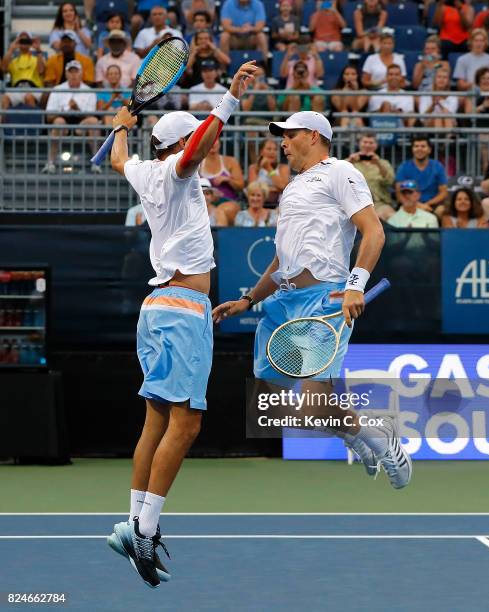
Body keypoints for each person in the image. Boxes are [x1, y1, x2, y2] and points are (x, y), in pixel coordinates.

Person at [106, 61, 258, 589]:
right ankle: (143, 529)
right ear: (181, 145)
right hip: (181, 311)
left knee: (155, 422)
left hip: (157, 312)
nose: (202, 146)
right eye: (194, 140)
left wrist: (121, 122)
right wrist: (229, 101)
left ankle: (134, 523)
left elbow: (119, 157)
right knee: (186, 424)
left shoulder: (143, 170)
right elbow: (195, 151)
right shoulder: (176, 169)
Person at [213, 110, 412, 491]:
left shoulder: (341, 172)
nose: (282, 143)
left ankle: (380, 439)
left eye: (289, 135)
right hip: (283, 303)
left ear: (313, 135)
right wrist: (248, 300)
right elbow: (280, 259)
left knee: (313, 405)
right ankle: (359, 437)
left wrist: (356, 285)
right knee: (270, 405)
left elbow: (374, 232)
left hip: (325, 299)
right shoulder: (291, 189)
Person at [42, 61, 99, 174]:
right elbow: (49, 116)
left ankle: (96, 162)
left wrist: (77, 109)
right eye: (70, 72)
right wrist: (64, 110)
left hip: (81, 124)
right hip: (62, 122)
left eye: (76, 71)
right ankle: (50, 162)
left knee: (93, 121)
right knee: (58, 121)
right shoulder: (57, 89)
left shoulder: (89, 91)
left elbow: (92, 114)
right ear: (66, 74)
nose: (73, 75)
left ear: (81, 73)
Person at [395, 136, 448, 215]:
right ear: (412, 149)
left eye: (423, 146)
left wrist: (427, 204)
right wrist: (417, 205)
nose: (419, 149)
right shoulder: (404, 167)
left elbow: (443, 192)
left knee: (442, 210)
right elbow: (399, 193)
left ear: (429, 150)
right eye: (416, 146)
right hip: (409, 204)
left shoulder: (438, 166)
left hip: (432, 205)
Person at [347, 133, 395, 220]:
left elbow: (389, 182)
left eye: (371, 143)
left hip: (379, 203)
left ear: (376, 145)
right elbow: (337, 176)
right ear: (359, 144)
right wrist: (349, 161)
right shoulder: (350, 162)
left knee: (391, 216)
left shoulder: (383, 163)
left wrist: (378, 164)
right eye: (365, 142)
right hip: (354, 202)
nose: (368, 145)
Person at [199, 138, 244, 222]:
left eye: (215, 140)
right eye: (210, 140)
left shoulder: (231, 161)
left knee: (220, 211)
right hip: (204, 201)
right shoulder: (198, 163)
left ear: (219, 142)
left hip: (227, 201)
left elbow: (241, 186)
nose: (213, 143)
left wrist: (228, 180)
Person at [1, 32, 45, 112]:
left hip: (34, 89)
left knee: (28, 97)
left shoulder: (37, 58)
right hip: (17, 89)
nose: (24, 43)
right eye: (22, 41)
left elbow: (41, 70)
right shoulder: (13, 61)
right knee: (5, 98)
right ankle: (3, 124)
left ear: (30, 43)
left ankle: (33, 123)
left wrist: (38, 50)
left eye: (26, 41)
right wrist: (11, 49)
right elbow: (3, 69)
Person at [248, 138, 290, 205]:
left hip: (278, 204)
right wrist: (275, 189)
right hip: (259, 204)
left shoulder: (283, 168)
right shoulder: (253, 168)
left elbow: (283, 187)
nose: (272, 152)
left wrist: (269, 169)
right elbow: (252, 189)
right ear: (261, 152)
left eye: (275, 149)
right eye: (269, 149)